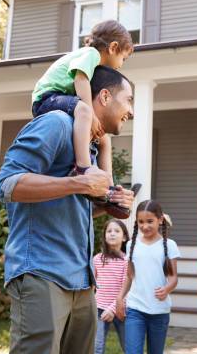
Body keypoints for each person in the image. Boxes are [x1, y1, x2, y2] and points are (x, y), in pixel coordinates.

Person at [0, 65, 135, 354]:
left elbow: (71, 204)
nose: (132, 111)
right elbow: (7, 184)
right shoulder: (56, 123)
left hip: (82, 281)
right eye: (129, 100)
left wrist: (108, 205)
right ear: (106, 96)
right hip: (42, 273)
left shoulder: (88, 145)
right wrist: (79, 182)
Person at [31, 20, 133, 216]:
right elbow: (80, 79)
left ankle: (109, 189)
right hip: (47, 97)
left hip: (58, 98)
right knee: (84, 111)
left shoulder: (92, 61)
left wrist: (106, 196)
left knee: (104, 138)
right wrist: (90, 113)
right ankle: (83, 167)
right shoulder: (90, 54)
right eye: (123, 58)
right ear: (113, 48)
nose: (120, 65)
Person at [116, 200, 180, 354]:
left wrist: (166, 289)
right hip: (135, 309)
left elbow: (174, 278)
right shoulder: (131, 245)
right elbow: (129, 277)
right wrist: (119, 298)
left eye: (149, 221)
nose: (145, 226)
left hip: (159, 312)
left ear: (160, 220)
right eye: (141, 222)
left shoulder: (169, 245)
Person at [94, 219, 129, 354]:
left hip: (121, 310)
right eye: (109, 231)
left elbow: (127, 288)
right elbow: (92, 286)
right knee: (96, 351)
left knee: (130, 350)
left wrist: (113, 309)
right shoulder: (96, 259)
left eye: (116, 231)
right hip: (99, 311)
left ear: (124, 237)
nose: (112, 234)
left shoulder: (127, 261)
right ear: (105, 236)